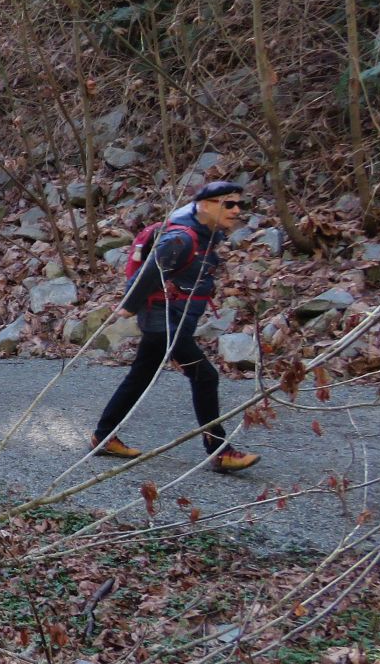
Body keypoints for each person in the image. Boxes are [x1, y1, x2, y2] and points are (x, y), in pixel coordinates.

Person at [91, 180, 259, 473]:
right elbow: (148, 274)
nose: (236, 210)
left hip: (174, 318)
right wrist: (129, 305)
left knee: (140, 377)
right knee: (205, 376)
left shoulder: (205, 235)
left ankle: (103, 436)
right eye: (228, 204)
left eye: (238, 204)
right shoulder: (181, 239)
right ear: (204, 206)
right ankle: (220, 451)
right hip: (162, 321)